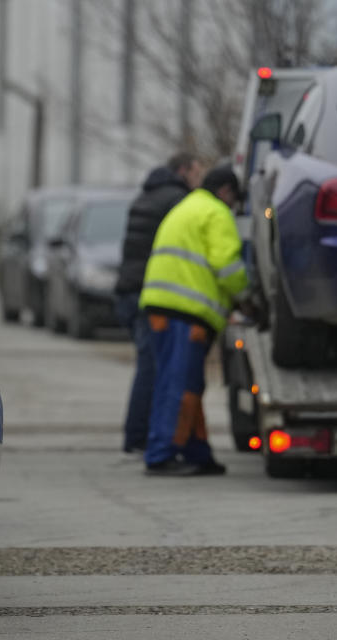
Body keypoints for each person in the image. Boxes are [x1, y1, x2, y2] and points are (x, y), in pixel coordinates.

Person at [139, 165, 249, 476]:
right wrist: (247, 295)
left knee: (182, 383)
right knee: (181, 385)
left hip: (162, 308)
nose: (232, 207)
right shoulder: (216, 212)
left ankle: (196, 452)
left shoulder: (186, 207)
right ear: (226, 191)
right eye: (234, 200)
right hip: (186, 313)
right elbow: (226, 266)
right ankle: (161, 455)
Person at [114, 152, 204, 454]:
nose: (198, 179)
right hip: (149, 293)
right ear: (183, 170)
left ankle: (138, 434)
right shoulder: (177, 199)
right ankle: (140, 437)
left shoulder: (145, 195)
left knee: (147, 365)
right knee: (153, 367)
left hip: (127, 290)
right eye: (195, 171)